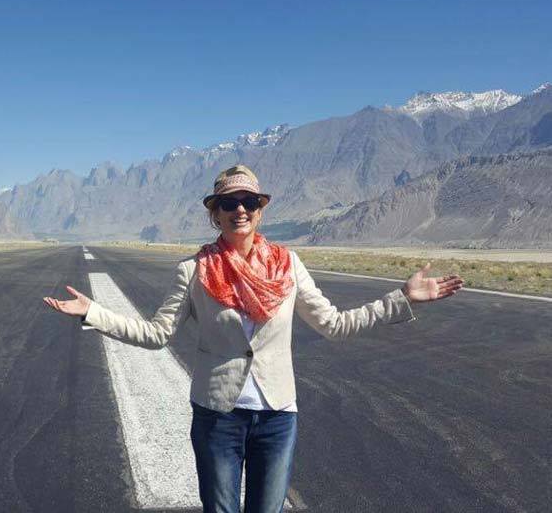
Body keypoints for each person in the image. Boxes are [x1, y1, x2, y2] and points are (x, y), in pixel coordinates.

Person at [43, 164, 464, 513]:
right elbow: (157, 334)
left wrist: (401, 299)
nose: (239, 210)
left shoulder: (288, 264)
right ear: (216, 214)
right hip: (218, 417)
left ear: (260, 211)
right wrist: (94, 312)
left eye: (248, 202)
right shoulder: (193, 271)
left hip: (278, 417)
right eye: (229, 203)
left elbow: (333, 324)